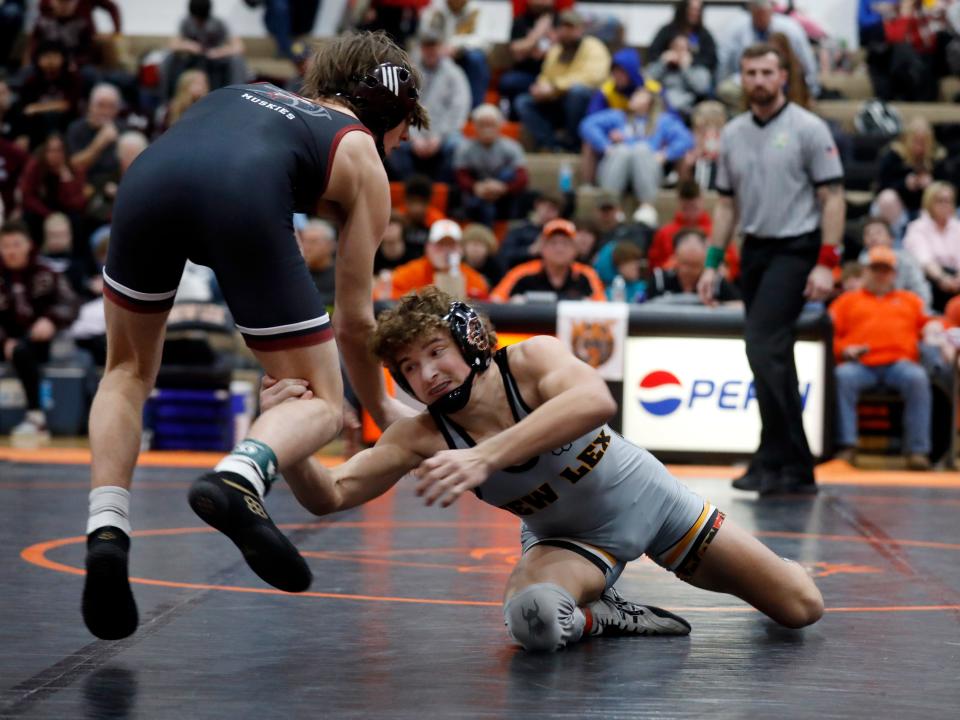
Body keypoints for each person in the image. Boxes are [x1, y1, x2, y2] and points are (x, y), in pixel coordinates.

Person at [81, 31, 429, 641]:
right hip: (240, 193)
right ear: (393, 113)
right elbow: (354, 321)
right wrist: (378, 407)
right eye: (405, 131)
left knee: (126, 372)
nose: (400, 146)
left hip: (147, 181)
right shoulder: (362, 156)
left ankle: (107, 527)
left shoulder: (247, 90)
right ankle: (240, 476)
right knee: (320, 399)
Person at [259, 287, 824, 653]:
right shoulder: (424, 435)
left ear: (470, 340)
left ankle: (774, 569)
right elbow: (329, 495)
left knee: (800, 608)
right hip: (571, 541)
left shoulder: (531, 361)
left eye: (435, 352)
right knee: (532, 619)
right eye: (408, 367)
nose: (426, 374)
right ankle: (605, 617)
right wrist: (292, 438)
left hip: (657, 507)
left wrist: (485, 455)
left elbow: (595, 402)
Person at [697, 43, 845, 496]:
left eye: (766, 72)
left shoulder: (808, 127)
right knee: (771, 356)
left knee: (763, 347)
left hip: (796, 249)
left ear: (783, 76)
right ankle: (789, 464)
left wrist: (826, 262)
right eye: (750, 72)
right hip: (756, 250)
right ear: (741, 78)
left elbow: (833, 197)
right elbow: (726, 204)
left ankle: (779, 457)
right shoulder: (735, 133)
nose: (758, 80)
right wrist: (712, 262)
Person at [830, 246, 934, 470]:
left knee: (918, 378)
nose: (880, 275)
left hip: (900, 364)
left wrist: (934, 329)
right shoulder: (847, 301)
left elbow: (929, 326)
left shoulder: (910, 300)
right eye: (875, 269)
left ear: (894, 275)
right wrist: (845, 350)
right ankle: (846, 446)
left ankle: (918, 451)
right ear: (865, 272)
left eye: (885, 270)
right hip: (860, 365)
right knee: (841, 376)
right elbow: (829, 335)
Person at [0, 220, 78, 437]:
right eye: (5, 246)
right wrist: (4, 340)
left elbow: (71, 303)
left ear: (28, 245)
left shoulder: (46, 272)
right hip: (6, 338)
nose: (11, 251)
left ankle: (36, 418)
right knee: (17, 349)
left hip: (38, 340)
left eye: (16, 244)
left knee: (23, 350)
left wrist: (51, 320)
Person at [579, 84, 693, 222]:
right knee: (621, 150)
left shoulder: (663, 121)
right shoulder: (619, 117)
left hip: (647, 172)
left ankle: (646, 207)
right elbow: (587, 125)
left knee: (641, 149)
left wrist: (665, 154)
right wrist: (605, 145)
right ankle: (611, 206)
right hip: (616, 168)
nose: (633, 97)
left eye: (639, 94)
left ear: (650, 101)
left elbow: (686, 139)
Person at [514, 10, 611, 152]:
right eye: (563, 27)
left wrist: (555, 87)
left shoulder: (594, 47)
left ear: (580, 29)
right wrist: (540, 88)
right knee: (523, 102)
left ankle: (574, 143)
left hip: (587, 103)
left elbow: (592, 77)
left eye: (571, 27)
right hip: (558, 100)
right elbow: (545, 75)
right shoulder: (556, 50)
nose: (566, 32)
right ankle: (552, 145)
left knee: (577, 92)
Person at [491, 218, 606, 302]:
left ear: (575, 249)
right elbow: (495, 301)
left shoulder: (587, 275)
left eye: (565, 243)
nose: (559, 249)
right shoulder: (521, 273)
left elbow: (603, 306)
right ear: (542, 248)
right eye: (553, 243)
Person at [453, 103, 528, 226]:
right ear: (475, 126)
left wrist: (504, 188)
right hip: (476, 194)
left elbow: (522, 177)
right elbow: (460, 176)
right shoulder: (465, 148)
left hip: (505, 197)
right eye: (482, 125)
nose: (487, 129)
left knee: (508, 173)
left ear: (499, 126)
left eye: (491, 125)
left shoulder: (512, 147)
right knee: (483, 204)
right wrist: (476, 187)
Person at [391, 218, 490, 300]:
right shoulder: (409, 274)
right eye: (440, 244)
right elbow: (391, 299)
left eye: (451, 245)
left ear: (460, 249)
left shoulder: (473, 280)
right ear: (428, 247)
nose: (446, 251)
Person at [902, 181, 960, 312]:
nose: (945, 205)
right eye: (940, 201)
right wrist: (942, 278)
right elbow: (924, 260)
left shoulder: (958, 227)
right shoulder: (917, 228)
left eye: (949, 201)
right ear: (929, 203)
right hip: (930, 279)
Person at [858, 217, 931, 310]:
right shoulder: (861, 264)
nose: (873, 237)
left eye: (878, 232)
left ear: (891, 238)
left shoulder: (907, 260)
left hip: (904, 309)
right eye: (868, 234)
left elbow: (921, 291)